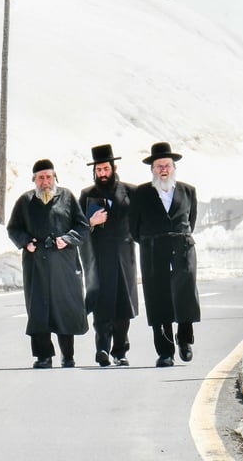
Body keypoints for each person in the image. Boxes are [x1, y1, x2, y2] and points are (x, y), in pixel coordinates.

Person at [7, 158, 90, 368]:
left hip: (64, 263)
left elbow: (82, 226)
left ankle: (68, 355)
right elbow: (13, 228)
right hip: (36, 263)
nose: (45, 181)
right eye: (41, 177)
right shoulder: (25, 201)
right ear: (34, 179)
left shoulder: (67, 197)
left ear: (55, 177)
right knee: (38, 309)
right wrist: (26, 242)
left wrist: (67, 239)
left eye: (49, 177)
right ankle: (43, 356)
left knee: (65, 307)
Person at [129, 141, 201, 367]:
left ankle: (185, 340)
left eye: (167, 165)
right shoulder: (141, 193)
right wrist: (153, 242)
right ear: (152, 169)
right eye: (159, 166)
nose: (163, 170)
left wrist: (177, 238)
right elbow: (134, 227)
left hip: (182, 249)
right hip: (153, 251)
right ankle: (165, 351)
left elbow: (191, 221)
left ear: (174, 168)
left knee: (185, 294)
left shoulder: (188, 191)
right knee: (158, 300)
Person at [78, 143, 138, 367]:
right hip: (98, 257)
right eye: (98, 170)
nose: (102, 174)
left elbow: (140, 221)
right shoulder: (86, 195)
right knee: (102, 305)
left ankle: (120, 351)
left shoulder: (130, 191)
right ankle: (102, 348)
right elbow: (76, 225)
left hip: (124, 256)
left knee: (123, 306)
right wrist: (91, 223)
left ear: (113, 168)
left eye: (105, 169)